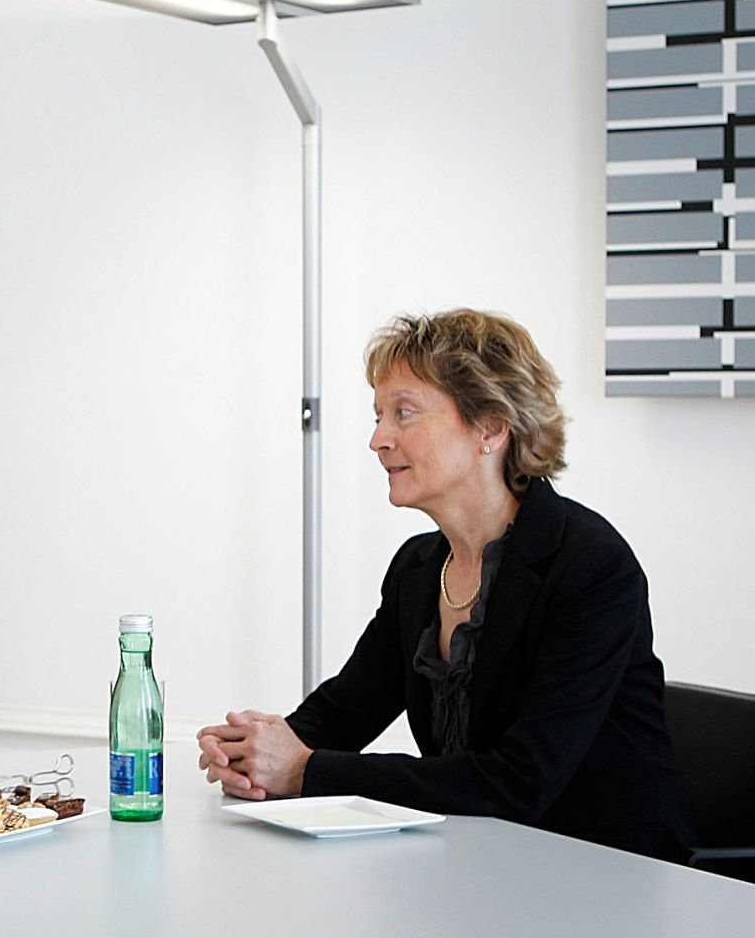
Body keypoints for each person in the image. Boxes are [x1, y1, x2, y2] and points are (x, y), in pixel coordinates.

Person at [195, 309, 696, 863]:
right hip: (486, 862)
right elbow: (345, 712)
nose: (377, 439)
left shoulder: (589, 565)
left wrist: (305, 770)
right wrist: (255, 750)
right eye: (378, 416)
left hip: (610, 870)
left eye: (404, 413)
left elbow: (521, 780)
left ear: (491, 427)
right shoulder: (417, 568)